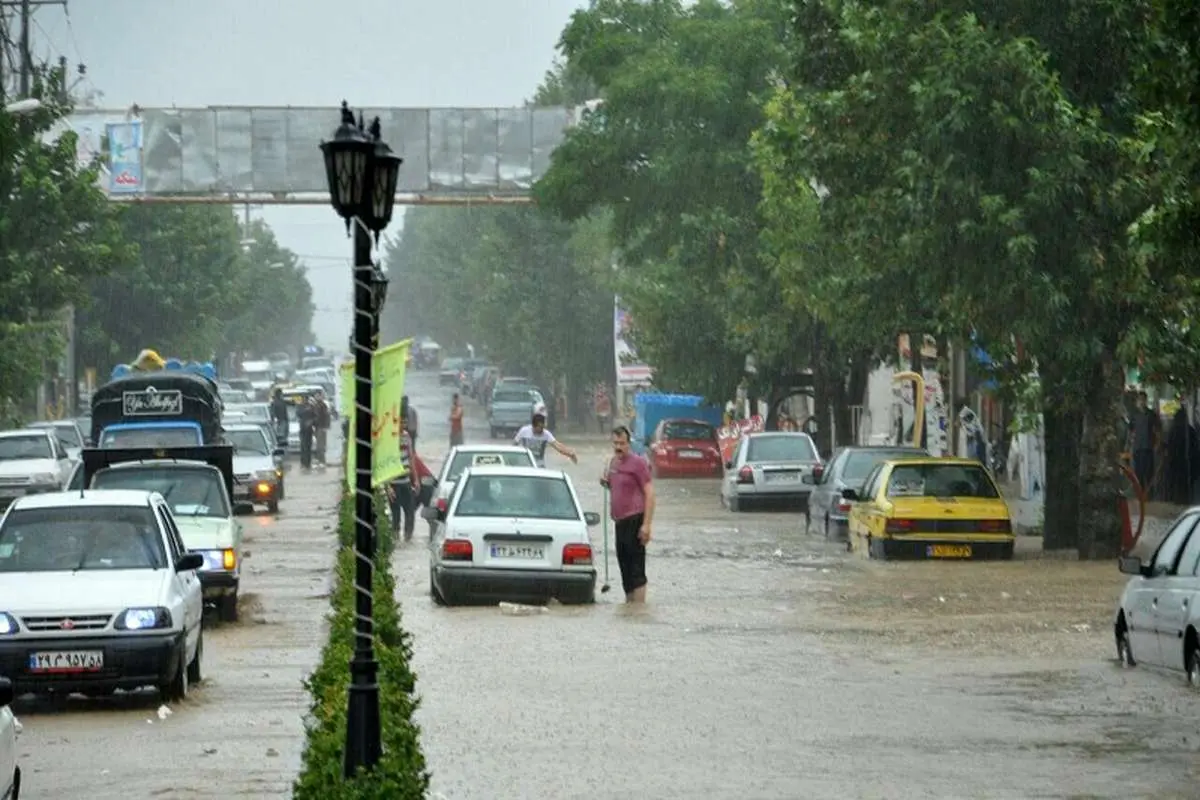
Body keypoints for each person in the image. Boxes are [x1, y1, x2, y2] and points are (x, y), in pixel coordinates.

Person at [601, 425, 655, 603]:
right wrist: (605, 482)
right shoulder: (612, 463)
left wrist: (646, 525)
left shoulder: (638, 463)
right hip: (620, 522)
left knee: (636, 569)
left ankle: (639, 609)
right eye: (615, 443)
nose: (618, 447)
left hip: (635, 519)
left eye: (622, 443)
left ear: (628, 443)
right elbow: (615, 487)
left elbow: (650, 493)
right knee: (624, 567)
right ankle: (629, 607)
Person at [513, 407, 578, 467]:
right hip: (525, 464)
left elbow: (558, 446)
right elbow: (514, 445)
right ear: (533, 426)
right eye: (540, 427)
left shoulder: (546, 434)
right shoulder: (524, 431)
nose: (542, 429)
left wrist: (570, 453)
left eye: (543, 427)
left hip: (539, 464)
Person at [386, 419, 418, 540]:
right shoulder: (389, 438)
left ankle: (408, 537)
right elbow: (385, 463)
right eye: (401, 422)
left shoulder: (406, 436)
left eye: (405, 422)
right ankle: (395, 538)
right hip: (394, 483)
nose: (403, 425)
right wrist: (388, 486)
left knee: (410, 512)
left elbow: (411, 458)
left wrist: (416, 480)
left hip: (406, 482)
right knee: (396, 514)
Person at [1166, 406, 1200, 505]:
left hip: (1176, 461)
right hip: (1187, 461)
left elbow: (1169, 446)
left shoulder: (1173, 430)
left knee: (1177, 482)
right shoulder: (1190, 430)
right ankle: (1185, 499)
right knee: (1185, 482)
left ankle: (1177, 499)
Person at [1129, 391, 1161, 494]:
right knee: (1138, 473)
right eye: (1140, 400)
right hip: (1137, 448)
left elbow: (1157, 429)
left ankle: (1149, 495)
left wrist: (1157, 444)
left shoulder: (1151, 414)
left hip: (1148, 447)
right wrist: (1130, 443)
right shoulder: (1134, 415)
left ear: (1146, 400)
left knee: (1149, 472)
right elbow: (1130, 431)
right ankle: (1139, 494)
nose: (1141, 402)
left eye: (1143, 400)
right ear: (1137, 401)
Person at [297, 394, 316, 471]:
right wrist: (306, 410)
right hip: (303, 430)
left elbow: (315, 416)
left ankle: (308, 463)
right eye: (303, 399)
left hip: (309, 430)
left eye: (305, 399)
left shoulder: (311, 407)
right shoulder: (300, 407)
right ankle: (303, 463)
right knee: (303, 447)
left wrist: (311, 422)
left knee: (308, 447)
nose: (304, 400)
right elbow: (298, 414)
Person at [313, 389, 331, 467]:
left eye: (318, 395)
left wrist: (326, 426)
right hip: (317, 427)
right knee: (318, 445)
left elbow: (327, 416)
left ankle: (322, 461)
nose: (316, 397)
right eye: (315, 396)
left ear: (321, 396)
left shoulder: (323, 405)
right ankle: (319, 460)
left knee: (321, 446)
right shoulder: (315, 405)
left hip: (321, 427)